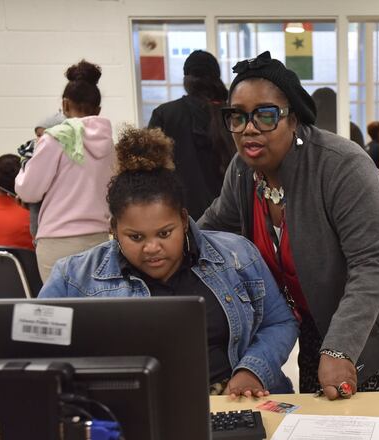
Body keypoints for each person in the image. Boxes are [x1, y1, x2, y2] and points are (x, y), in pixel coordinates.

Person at [199, 51, 379, 400]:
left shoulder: (341, 165)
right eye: (237, 117)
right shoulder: (243, 170)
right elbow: (211, 229)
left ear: (293, 119)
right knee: (315, 395)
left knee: (357, 401)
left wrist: (340, 349)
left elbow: (372, 262)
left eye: (265, 115)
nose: (249, 128)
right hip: (316, 298)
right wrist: (152, 241)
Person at [39, 126, 298, 397]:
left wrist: (252, 371)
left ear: (184, 221)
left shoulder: (237, 256)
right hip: (135, 411)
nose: (152, 248)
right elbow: (37, 346)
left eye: (165, 233)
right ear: (114, 228)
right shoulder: (74, 277)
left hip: (234, 400)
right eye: (135, 237)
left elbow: (279, 322)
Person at [15, 60, 114, 281]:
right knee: (94, 310)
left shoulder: (56, 138)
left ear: (65, 105)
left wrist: (21, 173)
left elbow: (29, 191)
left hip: (58, 241)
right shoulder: (110, 144)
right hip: (99, 239)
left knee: (60, 312)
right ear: (98, 110)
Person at [149, 50, 236, 221]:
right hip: (229, 220)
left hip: (178, 220)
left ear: (186, 79)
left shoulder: (165, 115)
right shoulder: (234, 116)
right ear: (215, 78)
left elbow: (150, 173)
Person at [17, 111, 67, 239]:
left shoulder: (66, 163)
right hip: (40, 231)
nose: (40, 140)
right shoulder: (29, 157)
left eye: (45, 135)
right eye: (38, 135)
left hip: (56, 229)